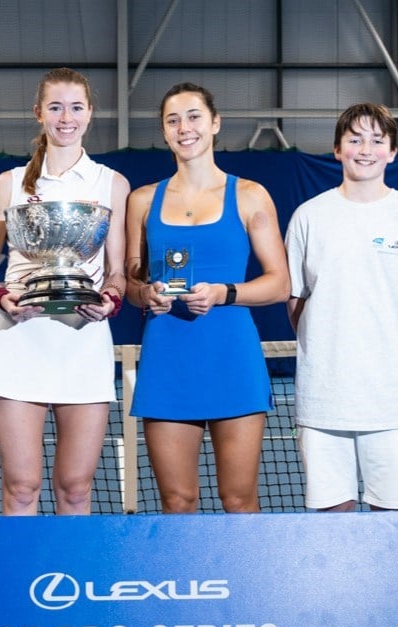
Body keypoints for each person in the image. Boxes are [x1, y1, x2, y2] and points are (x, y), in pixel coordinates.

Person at [0, 68, 129, 516]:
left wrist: (111, 300)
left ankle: (70, 584)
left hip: (84, 343)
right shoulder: (9, 183)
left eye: (76, 107)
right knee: (21, 487)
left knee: (76, 488)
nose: (66, 118)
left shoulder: (111, 183)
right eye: (55, 107)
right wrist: (1, 296)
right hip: (20, 339)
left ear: (90, 114)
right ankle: (19, 586)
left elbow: (117, 273)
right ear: (39, 113)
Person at [126, 82, 290, 513]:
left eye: (194, 116)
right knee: (176, 501)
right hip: (167, 356)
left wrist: (224, 293)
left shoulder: (251, 195)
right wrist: (147, 294)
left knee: (239, 499)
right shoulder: (142, 201)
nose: (185, 128)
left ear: (215, 123)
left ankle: (248, 585)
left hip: (232, 356)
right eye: (173, 120)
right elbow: (129, 279)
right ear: (164, 131)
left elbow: (279, 283)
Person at [285, 102, 398, 512]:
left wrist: (394, 352)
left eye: (377, 140)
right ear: (337, 149)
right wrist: (325, 347)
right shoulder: (308, 216)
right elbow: (296, 300)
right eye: (355, 140)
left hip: (391, 400)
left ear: (392, 152)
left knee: (391, 518)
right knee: (332, 520)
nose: (365, 149)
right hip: (323, 400)